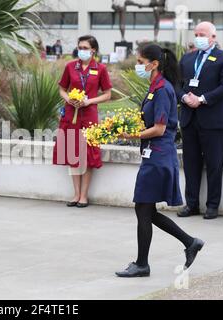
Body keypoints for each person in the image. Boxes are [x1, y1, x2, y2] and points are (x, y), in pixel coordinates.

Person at [116, 43, 204, 278]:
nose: (138, 66)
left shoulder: (163, 89)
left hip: (158, 155)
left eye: (141, 62)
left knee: (143, 208)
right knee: (146, 210)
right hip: (154, 155)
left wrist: (130, 135)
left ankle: (143, 264)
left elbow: (160, 128)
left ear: (154, 64)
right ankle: (190, 242)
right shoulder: (155, 87)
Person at [176, 22, 223, 220]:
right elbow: (176, 84)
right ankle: (191, 204)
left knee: (214, 164)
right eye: (196, 34)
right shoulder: (187, 58)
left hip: (213, 120)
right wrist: (185, 97)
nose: (198, 37)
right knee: (191, 164)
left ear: (213, 37)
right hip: (189, 119)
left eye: (202, 34)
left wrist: (201, 99)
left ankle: (212, 205)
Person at [53, 35, 112, 208]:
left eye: (85, 48)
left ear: (93, 50)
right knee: (72, 152)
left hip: (89, 114)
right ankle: (76, 194)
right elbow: (62, 89)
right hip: (71, 114)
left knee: (87, 155)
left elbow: (108, 94)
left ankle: (84, 195)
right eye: (80, 47)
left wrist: (89, 101)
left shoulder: (100, 69)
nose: (82, 51)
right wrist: (69, 98)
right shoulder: (71, 66)